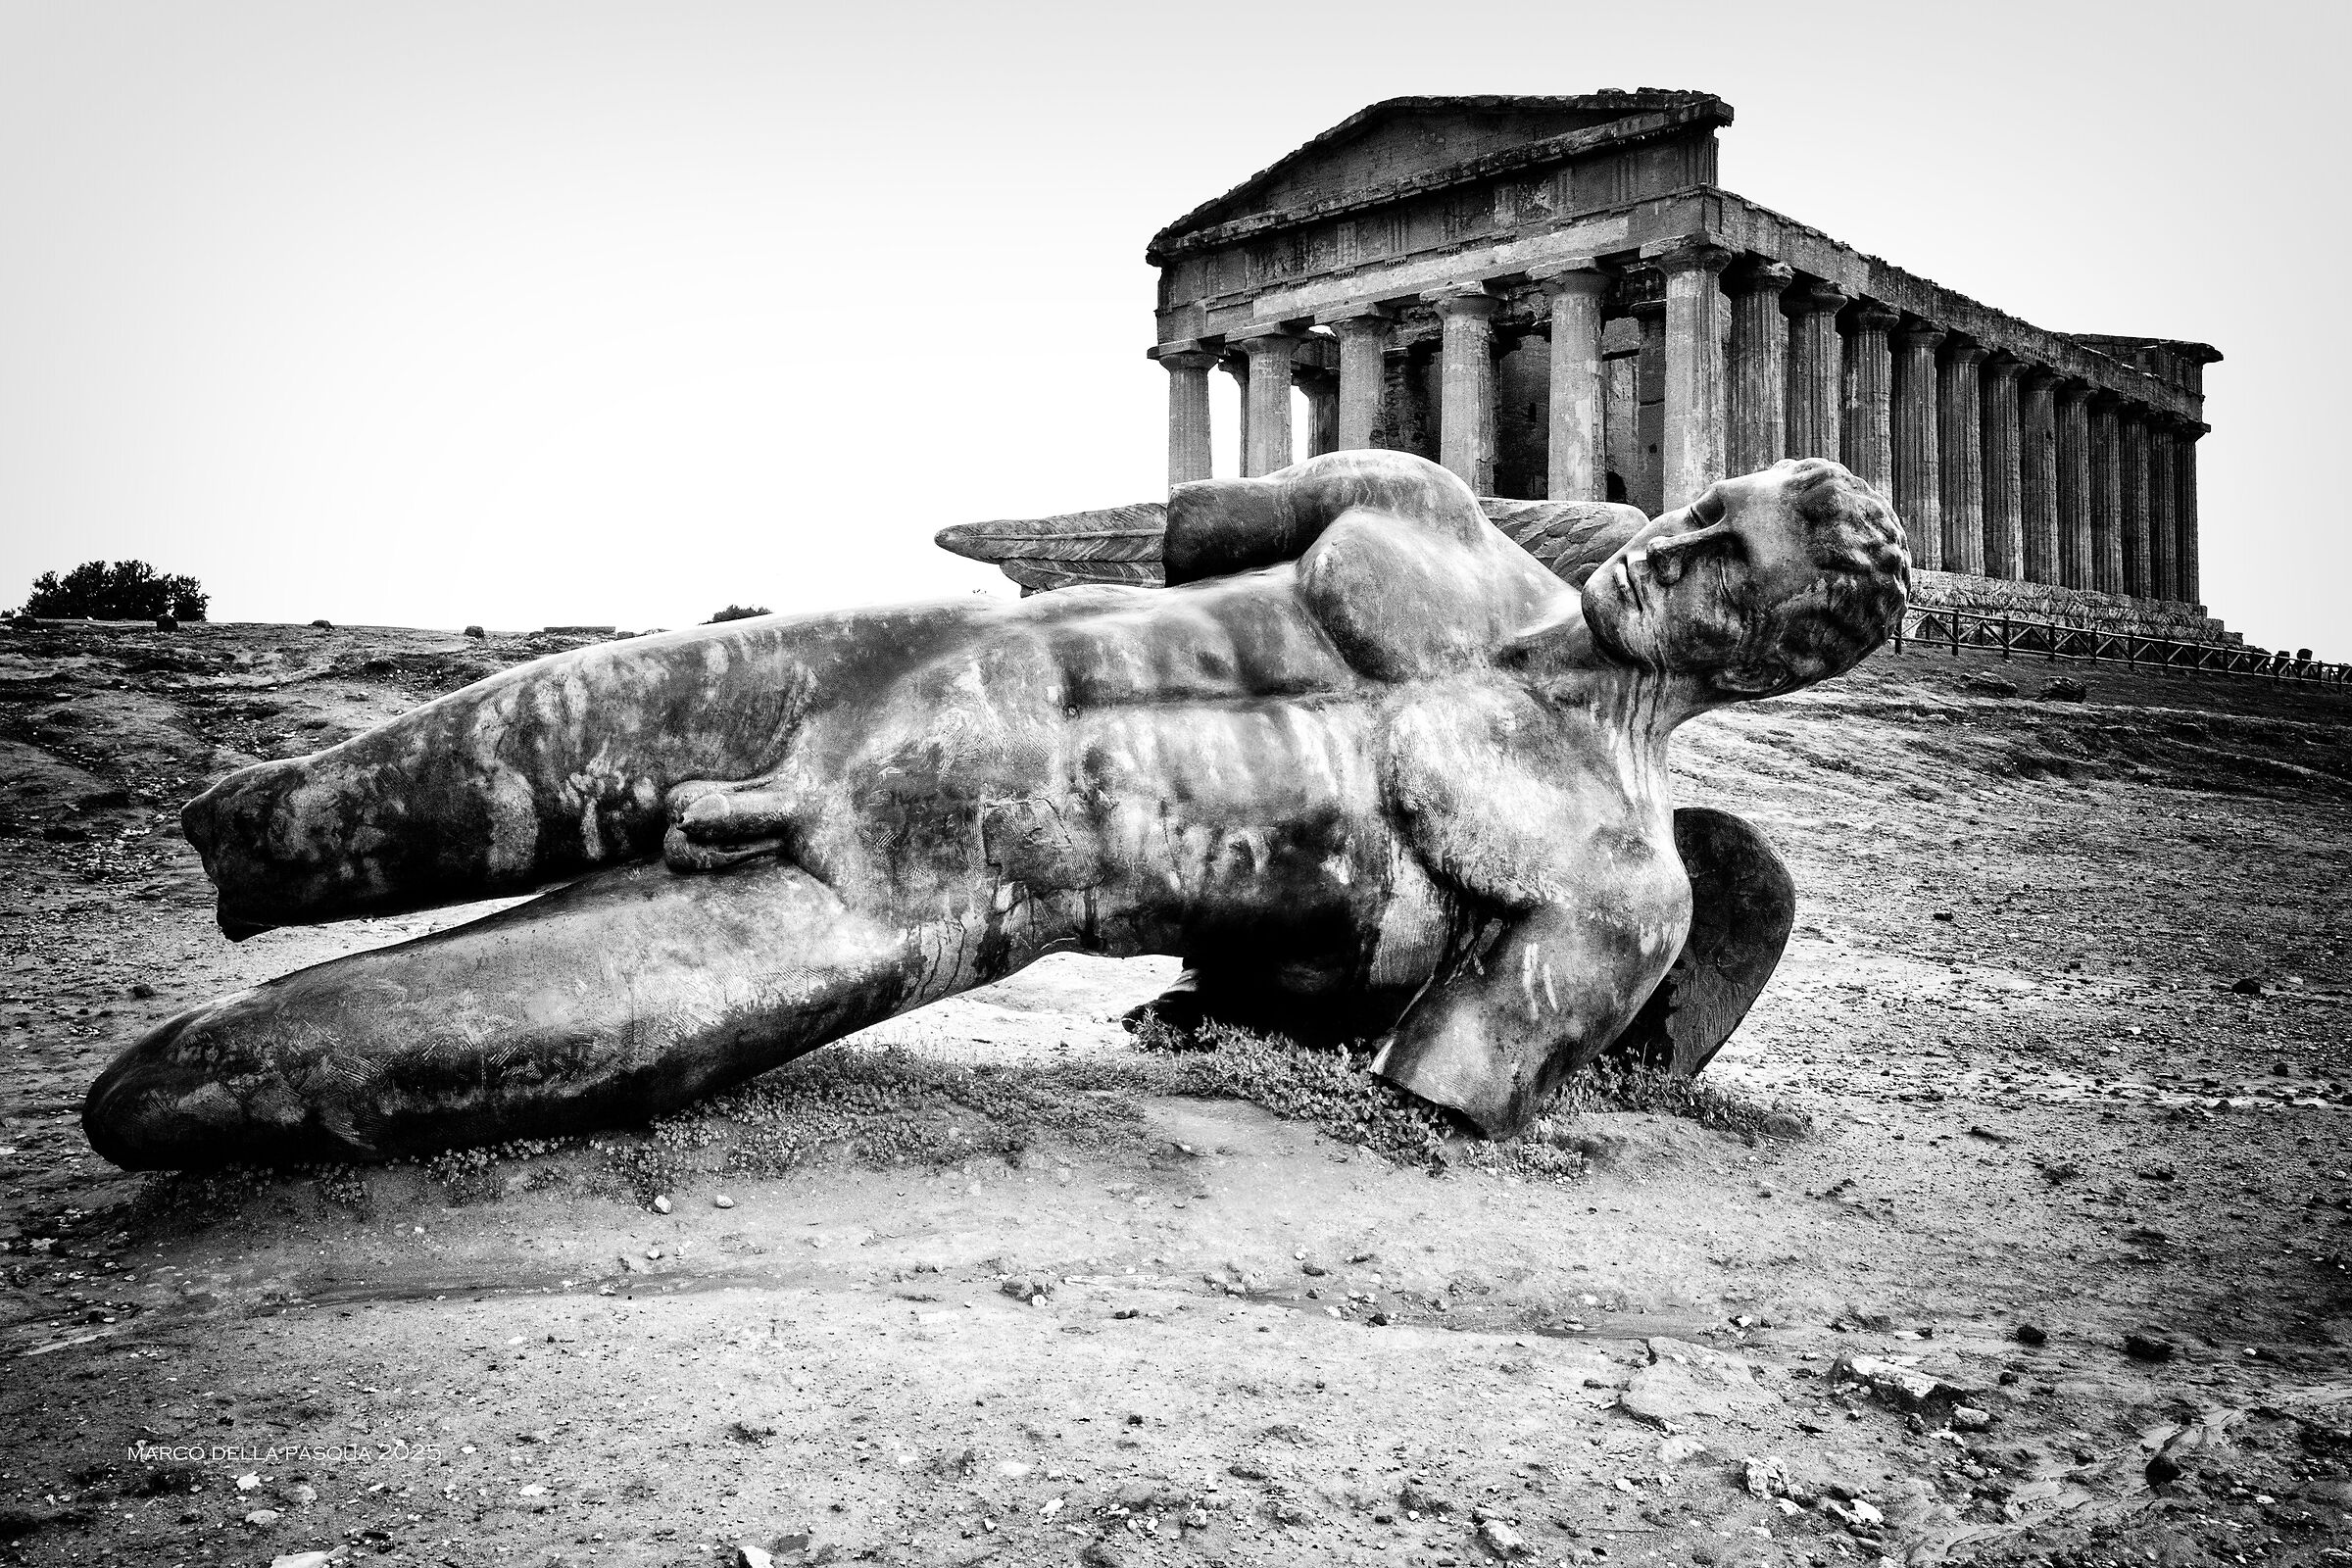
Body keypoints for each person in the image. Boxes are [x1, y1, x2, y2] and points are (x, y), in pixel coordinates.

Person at [85, 451, 1906, 1169]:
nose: (1672, 543)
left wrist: (1284, 987)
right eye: (1704, 501)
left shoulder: (1617, 882)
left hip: (964, 867)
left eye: (1725, 562)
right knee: (293, 818)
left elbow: (1437, 1102)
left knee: (221, 1085)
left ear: (1774, 657)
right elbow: (1145, 546)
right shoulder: (1421, 513)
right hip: (889, 664)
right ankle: (270, 848)